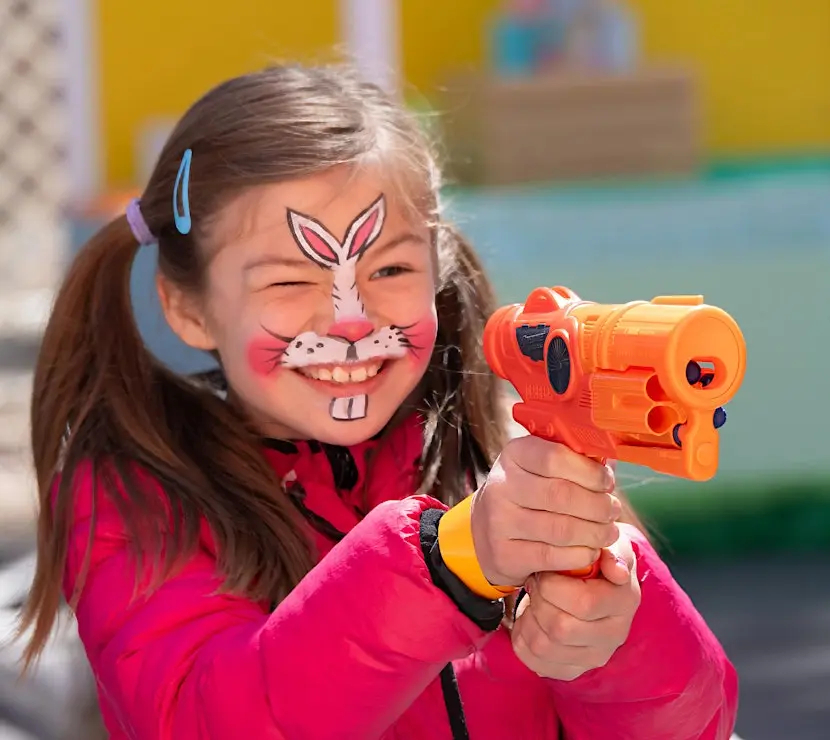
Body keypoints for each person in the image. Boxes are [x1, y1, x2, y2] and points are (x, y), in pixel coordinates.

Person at [18, 64, 738, 739]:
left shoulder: (499, 453)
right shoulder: (133, 495)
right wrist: (449, 558)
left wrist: (617, 631)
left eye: (390, 267)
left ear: (437, 265)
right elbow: (211, 718)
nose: (352, 319)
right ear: (190, 309)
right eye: (287, 282)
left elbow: (697, 724)